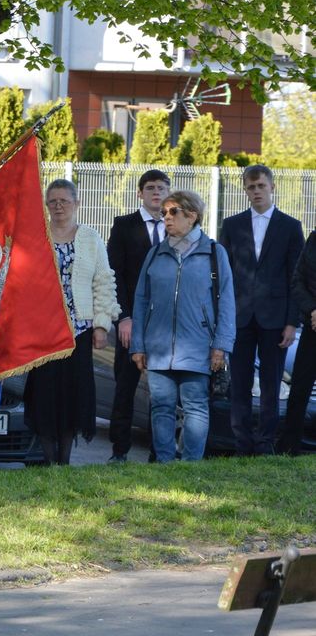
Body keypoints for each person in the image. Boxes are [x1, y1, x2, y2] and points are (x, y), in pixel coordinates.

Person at [131, 190, 235, 463]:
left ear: (192, 215)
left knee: (195, 407)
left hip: (198, 346)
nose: (166, 217)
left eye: (173, 212)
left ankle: (190, 465)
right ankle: (165, 465)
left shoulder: (214, 253)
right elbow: (141, 301)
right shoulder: (155, 253)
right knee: (161, 408)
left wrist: (221, 346)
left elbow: (226, 302)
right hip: (158, 349)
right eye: (164, 213)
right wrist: (138, 345)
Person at [23, 179, 120, 465]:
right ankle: (49, 458)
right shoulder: (36, 237)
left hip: (78, 331)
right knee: (43, 395)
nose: (59, 206)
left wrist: (102, 324)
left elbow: (103, 282)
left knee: (71, 397)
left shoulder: (90, 239)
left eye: (64, 200)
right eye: (53, 201)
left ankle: (64, 461)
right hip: (43, 332)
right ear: (47, 205)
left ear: (77, 204)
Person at [218, 164, 304, 455]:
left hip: (275, 317)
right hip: (240, 316)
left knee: (271, 384)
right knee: (239, 383)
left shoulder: (291, 226)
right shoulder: (231, 225)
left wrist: (292, 322)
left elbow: (296, 276)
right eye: (251, 187)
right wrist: (223, 318)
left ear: (272, 187)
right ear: (245, 190)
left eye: (261, 186)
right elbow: (223, 274)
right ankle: (241, 443)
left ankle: (265, 442)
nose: (256, 191)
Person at [105, 169, 170, 463]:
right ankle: (120, 451)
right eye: (151, 188)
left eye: (162, 188)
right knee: (126, 387)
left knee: (162, 391)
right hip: (132, 322)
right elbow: (114, 274)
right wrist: (125, 317)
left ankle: (160, 452)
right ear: (140, 194)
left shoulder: (178, 226)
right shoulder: (124, 225)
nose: (157, 193)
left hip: (165, 325)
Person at [279, 230, 316, 455]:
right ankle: (289, 448)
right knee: (299, 391)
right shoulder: (314, 239)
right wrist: (312, 309)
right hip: (313, 328)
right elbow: (297, 281)